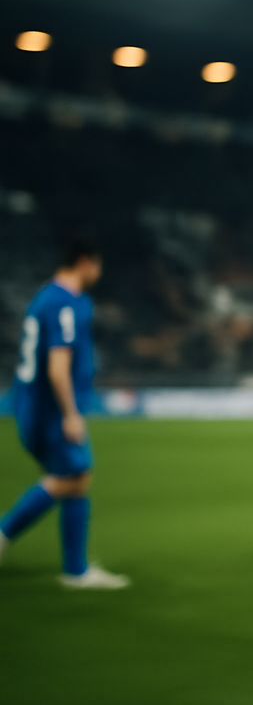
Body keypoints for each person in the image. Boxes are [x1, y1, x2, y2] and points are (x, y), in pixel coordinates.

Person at [0, 238, 129, 589]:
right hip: (49, 410)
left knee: (77, 478)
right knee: (72, 476)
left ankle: (75, 569)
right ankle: (12, 536)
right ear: (85, 262)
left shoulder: (46, 297)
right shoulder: (66, 303)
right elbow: (59, 367)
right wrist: (71, 413)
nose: (98, 273)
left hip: (32, 406)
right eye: (97, 265)